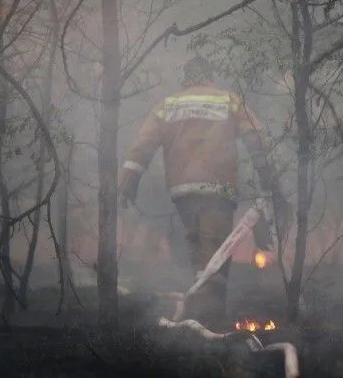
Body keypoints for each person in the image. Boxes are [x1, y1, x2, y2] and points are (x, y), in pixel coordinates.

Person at [118, 55, 289, 329]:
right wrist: (267, 178)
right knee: (216, 256)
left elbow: (142, 145)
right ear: (210, 76)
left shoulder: (168, 105)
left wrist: (130, 179)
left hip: (183, 193)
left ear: (186, 77)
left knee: (199, 254)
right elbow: (255, 138)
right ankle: (210, 322)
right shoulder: (228, 100)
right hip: (218, 190)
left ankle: (198, 318)